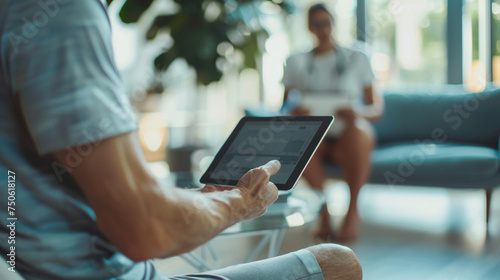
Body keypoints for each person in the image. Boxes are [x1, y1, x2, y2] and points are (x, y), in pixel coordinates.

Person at [0, 1, 362, 279]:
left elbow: (102, 206)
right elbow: (145, 229)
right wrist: (242, 203)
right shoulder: (62, 12)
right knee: (339, 263)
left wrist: (206, 201)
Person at [282, 3, 384, 242]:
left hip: (349, 133)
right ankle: (324, 214)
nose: (323, 29)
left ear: (334, 24)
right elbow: (284, 110)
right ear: (310, 27)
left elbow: (376, 109)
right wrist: (296, 112)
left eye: (327, 23)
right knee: (298, 142)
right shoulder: (296, 62)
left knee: (357, 131)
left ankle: (351, 215)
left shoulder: (357, 57)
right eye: (317, 24)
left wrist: (355, 113)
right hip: (317, 136)